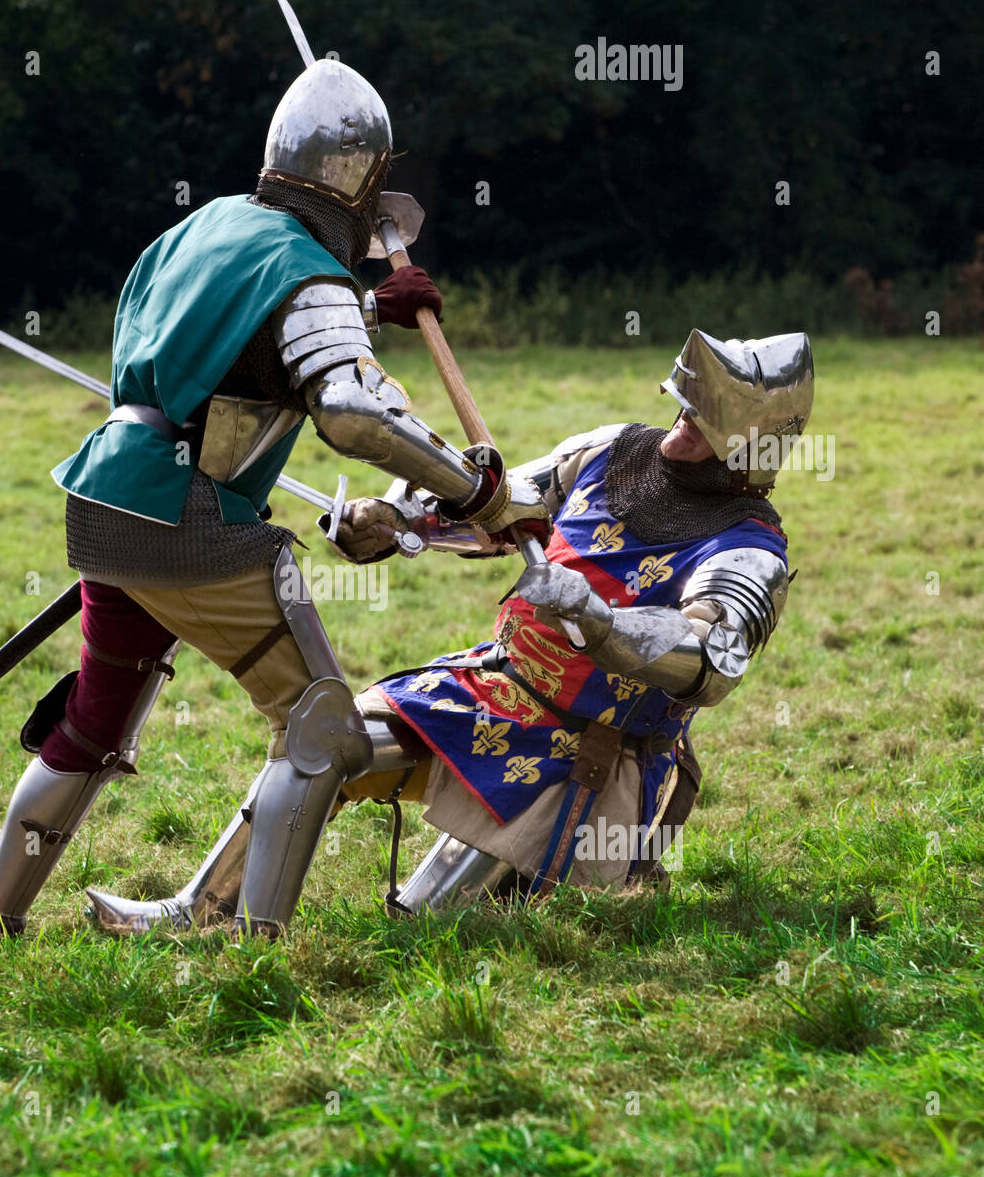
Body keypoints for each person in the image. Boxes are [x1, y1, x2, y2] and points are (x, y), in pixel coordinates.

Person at [0, 56, 544, 944]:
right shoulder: (312, 274)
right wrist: (478, 489)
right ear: (362, 182)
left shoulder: (204, 227)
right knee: (325, 732)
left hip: (103, 498)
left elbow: (224, 333)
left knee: (93, 718)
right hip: (192, 525)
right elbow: (347, 413)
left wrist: (371, 310)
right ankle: (254, 941)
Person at [86, 329, 813, 930]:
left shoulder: (750, 549)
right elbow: (501, 506)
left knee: (425, 930)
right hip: (494, 686)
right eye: (684, 408)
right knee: (323, 741)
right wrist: (396, 519)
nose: (679, 424)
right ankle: (204, 911)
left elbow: (710, 660)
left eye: (701, 421)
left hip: (584, 756)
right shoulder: (616, 449)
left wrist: (595, 616)